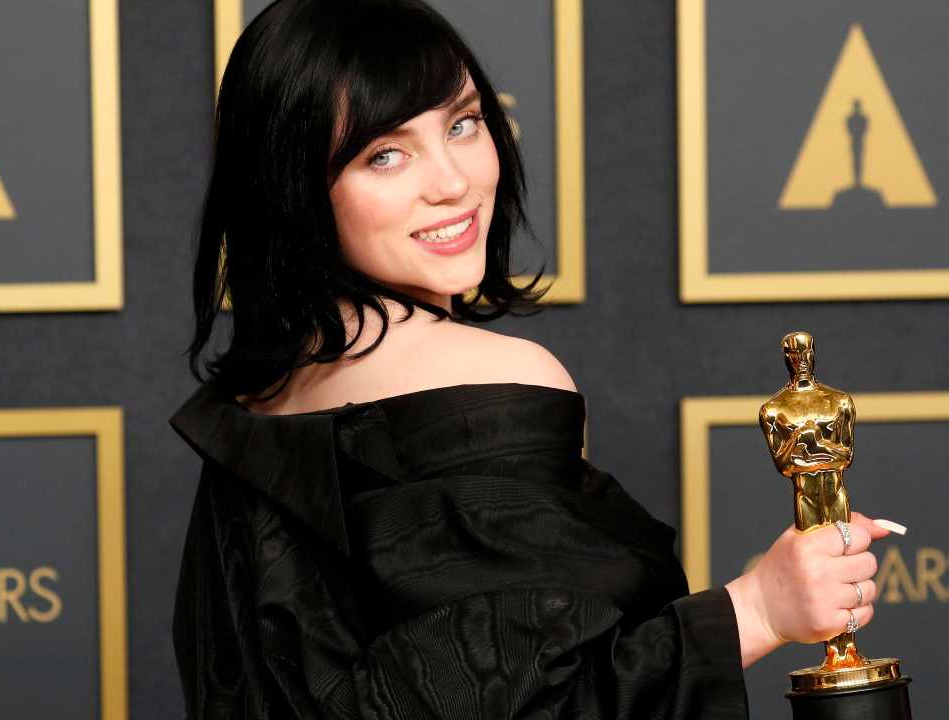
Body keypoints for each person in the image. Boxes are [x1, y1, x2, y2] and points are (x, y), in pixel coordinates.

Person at [169, 1, 890, 717]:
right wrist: (756, 610)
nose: (452, 181)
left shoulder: (256, 407)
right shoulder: (487, 385)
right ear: (293, 187)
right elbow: (539, 703)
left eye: (462, 124)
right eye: (384, 154)